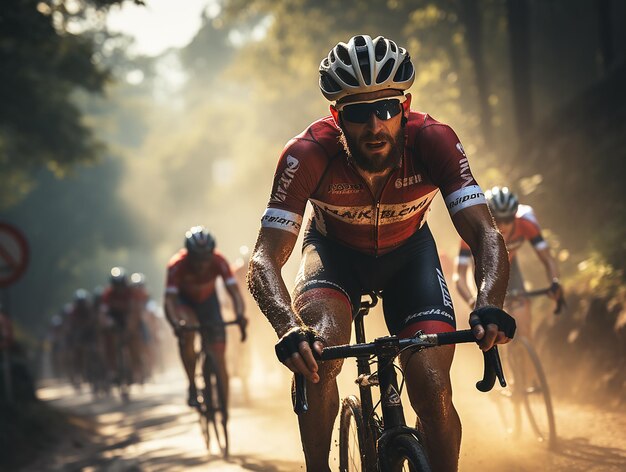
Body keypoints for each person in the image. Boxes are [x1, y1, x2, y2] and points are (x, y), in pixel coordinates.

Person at [247, 34, 516, 472]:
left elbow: (484, 233)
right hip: (333, 258)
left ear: (404, 107)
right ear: (336, 116)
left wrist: (489, 304)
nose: (375, 126)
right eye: (357, 113)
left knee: (432, 387)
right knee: (318, 355)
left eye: (387, 109)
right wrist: (287, 329)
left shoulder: (434, 141)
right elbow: (264, 258)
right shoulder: (307, 154)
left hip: (410, 258)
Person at [455, 186, 565, 338]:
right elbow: (459, 275)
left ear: (515, 216)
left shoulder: (526, 223)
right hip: (484, 273)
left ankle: (524, 349)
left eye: (508, 219)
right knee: (491, 324)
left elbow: (547, 258)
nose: (503, 225)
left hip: (509, 267)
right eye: (498, 219)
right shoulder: (474, 229)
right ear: (488, 216)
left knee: (523, 323)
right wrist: (471, 300)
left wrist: (555, 282)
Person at [164, 226, 248, 407]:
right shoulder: (176, 265)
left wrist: (240, 314)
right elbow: (169, 301)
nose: (202, 264)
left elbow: (235, 294)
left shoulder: (219, 261)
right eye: (197, 259)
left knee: (219, 355)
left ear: (212, 253)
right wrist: (176, 324)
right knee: (188, 331)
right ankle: (192, 385)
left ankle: (224, 405)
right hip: (185, 303)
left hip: (209, 303)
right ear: (188, 255)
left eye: (205, 258)